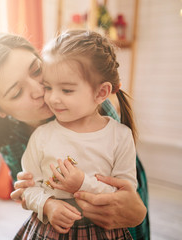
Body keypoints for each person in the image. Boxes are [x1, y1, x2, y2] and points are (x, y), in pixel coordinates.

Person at [0, 32, 149, 239]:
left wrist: (135, 212)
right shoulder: (11, 137)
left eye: (36, 70)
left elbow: (125, 195)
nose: (40, 90)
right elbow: (32, 191)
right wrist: (36, 198)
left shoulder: (94, 108)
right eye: (16, 93)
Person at [17, 29, 137, 239]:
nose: (53, 99)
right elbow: (28, 189)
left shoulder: (120, 136)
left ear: (101, 93)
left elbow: (124, 196)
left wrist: (82, 184)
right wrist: (48, 205)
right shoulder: (42, 136)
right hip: (50, 230)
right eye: (48, 87)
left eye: (67, 90)